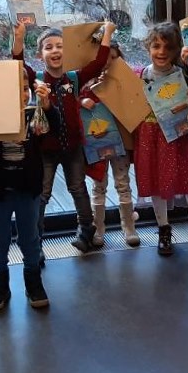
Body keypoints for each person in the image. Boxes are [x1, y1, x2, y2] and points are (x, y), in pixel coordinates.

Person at [13, 21, 116, 255]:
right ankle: (35, 241)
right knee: (42, 194)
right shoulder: (38, 79)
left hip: (73, 147)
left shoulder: (74, 78)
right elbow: (18, 64)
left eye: (59, 46)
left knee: (78, 188)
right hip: (45, 149)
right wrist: (19, 38)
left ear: (66, 52)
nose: (55, 51)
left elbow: (98, 63)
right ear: (40, 55)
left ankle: (86, 231)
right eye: (48, 47)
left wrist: (107, 33)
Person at [0, 71, 58, 310]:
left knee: (30, 237)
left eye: (24, 88)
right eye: (13, 89)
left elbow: (54, 127)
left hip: (28, 187)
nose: (21, 94)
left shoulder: (32, 113)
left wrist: (47, 105)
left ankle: (33, 281)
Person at [137, 23, 188, 256]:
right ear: (148, 48)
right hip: (151, 136)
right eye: (156, 46)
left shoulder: (185, 74)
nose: (161, 52)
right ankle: (163, 229)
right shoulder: (141, 75)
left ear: (176, 50)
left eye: (168, 47)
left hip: (180, 136)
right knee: (156, 181)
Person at [79, 41, 140, 248]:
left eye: (113, 58)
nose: (107, 63)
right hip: (98, 144)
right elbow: (76, 101)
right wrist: (83, 101)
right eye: (103, 58)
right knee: (99, 185)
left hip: (120, 143)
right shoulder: (87, 83)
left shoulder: (124, 82)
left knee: (123, 183)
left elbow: (135, 104)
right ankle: (98, 228)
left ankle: (129, 226)